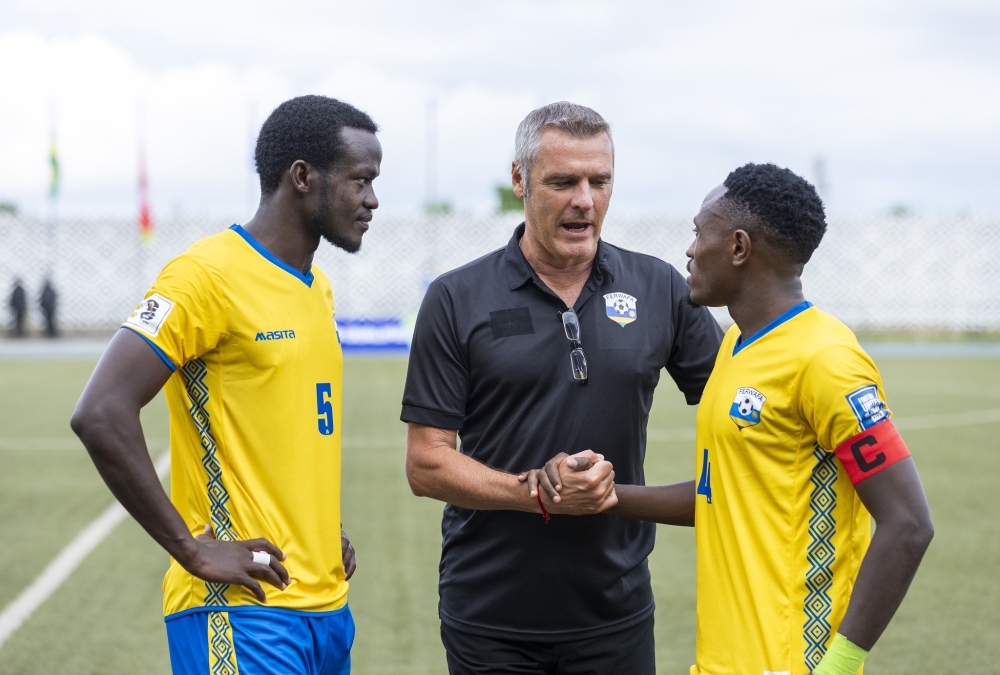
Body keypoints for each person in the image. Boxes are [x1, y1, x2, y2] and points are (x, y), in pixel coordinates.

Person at [528, 163, 934, 675]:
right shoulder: (734, 347)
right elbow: (719, 495)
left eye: (700, 233)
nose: (691, 249)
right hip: (722, 660)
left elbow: (909, 523)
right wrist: (606, 497)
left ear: (739, 248)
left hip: (791, 663)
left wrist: (837, 666)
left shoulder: (825, 358)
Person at [401, 102, 724, 675]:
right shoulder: (456, 298)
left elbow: (736, 407)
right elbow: (427, 465)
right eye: (562, 182)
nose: (585, 200)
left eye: (600, 182)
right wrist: (536, 492)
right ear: (519, 180)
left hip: (616, 614)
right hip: (491, 616)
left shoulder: (659, 287)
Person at [71, 95, 381, 675]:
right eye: (360, 180)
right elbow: (100, 411)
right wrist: (190, 548)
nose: (372, 200)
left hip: (327, 608)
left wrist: (319, 531)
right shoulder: (205, 276)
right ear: (302, 178)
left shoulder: (317, 289)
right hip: (242, 612)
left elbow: (282, 432)